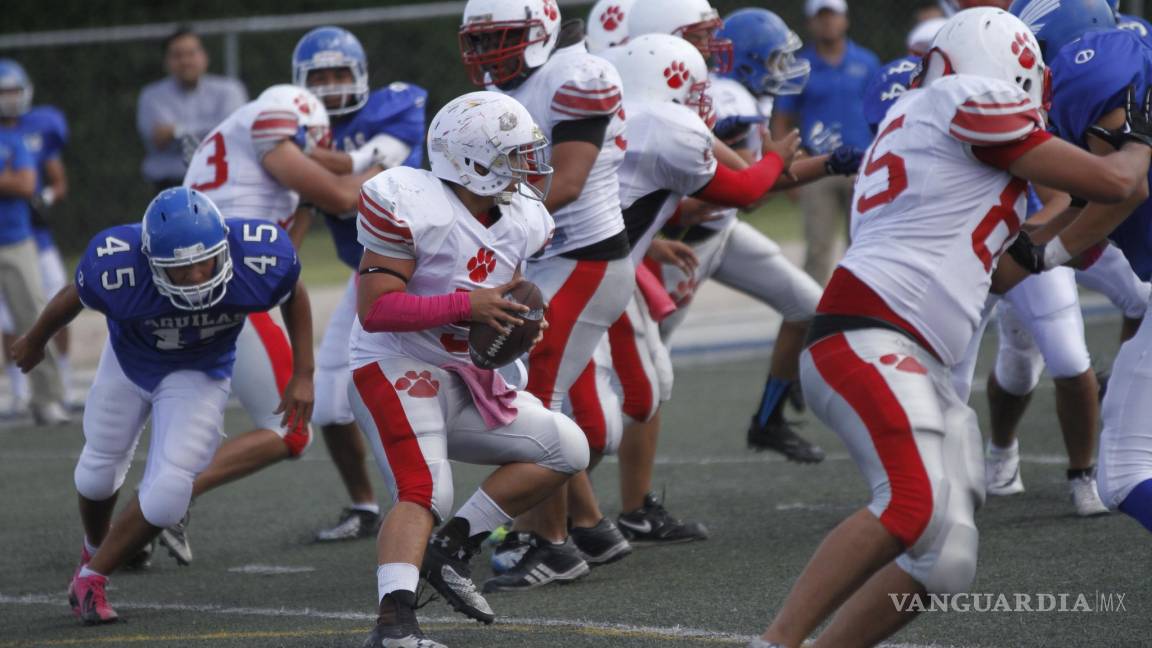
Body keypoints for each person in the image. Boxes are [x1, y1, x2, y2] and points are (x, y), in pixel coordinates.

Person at [752, 8, 1152, 647]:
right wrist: (1141, 123)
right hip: (871, 332)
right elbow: (1113, 180)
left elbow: (1040, 237)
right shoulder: (968, 98)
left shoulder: (931, 118)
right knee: (910, 504)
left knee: (946, 557)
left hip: (911, 348)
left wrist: (1048, 246)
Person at [353, 91, 589, 648]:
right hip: (397, 364)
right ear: (473, 160)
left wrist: (519, 321)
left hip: (465, 372)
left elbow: (498, 297)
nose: (530, 168)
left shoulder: (525, 218)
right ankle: (393, 624)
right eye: (514, 155)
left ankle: (452, 544)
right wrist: (470, 306)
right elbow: (376, 309)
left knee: (567, 449)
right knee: (425, 488)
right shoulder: (410, 203)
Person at [11, 187, 312, 625]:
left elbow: (293, 293)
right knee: (96, 474)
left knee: (171, 494)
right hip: (129, 363)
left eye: (202, 262)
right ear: (151, 261)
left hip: (200, 372)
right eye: (179, 269)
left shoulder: (258, 256)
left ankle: (91, 578)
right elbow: (72, 298)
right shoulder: (117, 264)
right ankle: (94, 549)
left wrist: (304, 372)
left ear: (224, 249)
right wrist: (36, 340)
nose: (193, 277)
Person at [146, 85, 381, 566]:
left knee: (169, 420)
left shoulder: (240, 146)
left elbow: (280, 254)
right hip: (225, 287)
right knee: (289, 432)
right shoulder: (272, 119)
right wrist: (386, 169)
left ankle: (151, 509)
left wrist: (308, 206)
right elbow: (341, 195)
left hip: (191, 285)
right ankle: (164, 502)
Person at [459, 0, 635, 590]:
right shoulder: (534, 80)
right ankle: (590, 526)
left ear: (541, 31)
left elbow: (567, 180)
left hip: (583, 260)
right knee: (532, 394)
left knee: (535, 405)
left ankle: (552, 547)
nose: (488, 53)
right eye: (480, 42)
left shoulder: (573, 75)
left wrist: (484, 223)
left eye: (502, 38)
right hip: (556, 260)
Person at [1009, 0, 1152, 534]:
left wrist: (1046, 256)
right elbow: (1090, 197)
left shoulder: (1090, 64)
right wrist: (1017, 256)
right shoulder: (1132, 49)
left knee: (1124, 475)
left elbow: (1124, 187)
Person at [288, 26, 429, 543]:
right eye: (318, 76)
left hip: (428, 265)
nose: (328, 85)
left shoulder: (396, 106)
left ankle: (524, 506)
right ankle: (365, 506)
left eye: (338, 73)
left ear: (361, 76)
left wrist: (291, 153)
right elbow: (300, 213)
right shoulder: (303, 131)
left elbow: (356, 174)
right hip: (367, 273)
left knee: (473, 389)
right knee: (327, 401)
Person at [769, 0, 879, 286]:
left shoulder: (866, 62)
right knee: (818, 247)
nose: (828, 22)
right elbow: (782, 119)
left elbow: (883, 113)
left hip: (862, 166)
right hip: (817, 167)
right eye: (822, 17)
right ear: (810, 23)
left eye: (833, 16)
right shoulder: (799, 67)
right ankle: (811, 314)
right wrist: (785, 167)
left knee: (865, 245)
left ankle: (861, 311)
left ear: (845, 20)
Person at [0, 58, 72, 415]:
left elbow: (26, 183)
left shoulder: (17, 136)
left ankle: (48, 397)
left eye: (14, 91)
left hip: (15, 238)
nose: (10, 99)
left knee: (32, 315)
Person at [137, 26, 247, 192]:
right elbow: (158, 139)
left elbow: (233, 133)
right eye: (177, 55)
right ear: (167, 62)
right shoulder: (151, 96)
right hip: (169, 186)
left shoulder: (230, 90)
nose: (185, 61)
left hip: (222, 182)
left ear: (204, 57)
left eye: (191, 53)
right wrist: (211, 129)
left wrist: (177, 130)